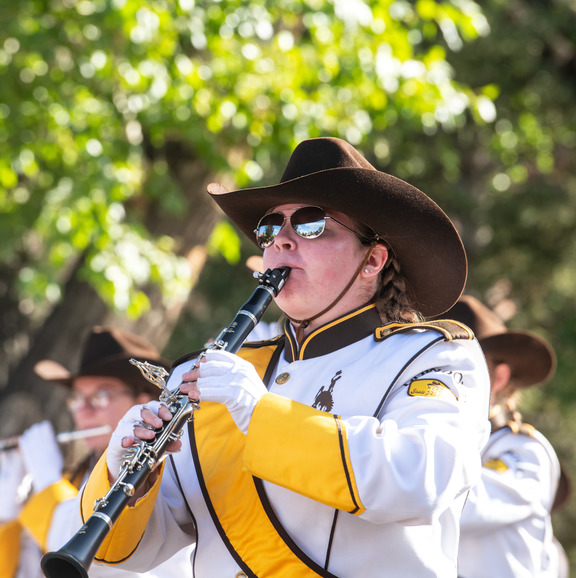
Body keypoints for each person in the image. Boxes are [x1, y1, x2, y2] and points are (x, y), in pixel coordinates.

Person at [75, 137, 491, 577]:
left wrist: (260, 414)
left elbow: (420, 480)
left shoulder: (434, 355)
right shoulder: (216, 372)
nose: (282, 242)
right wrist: (127, 475)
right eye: (270, 228)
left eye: (311, 224)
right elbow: (132, 555)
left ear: (373, 259)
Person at [0, 326, 193, 578]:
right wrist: (8, 513)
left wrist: (47, 482)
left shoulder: (168, 476)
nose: (84, 411)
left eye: (100, 396)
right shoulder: (73, 478)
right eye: (77, 398)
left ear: (143, 402)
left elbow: (102, 561)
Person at [438, 296, 566, 578]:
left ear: (498, 378)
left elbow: (459, 504)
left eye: (459, 366)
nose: (441, 376)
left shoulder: (525, 452)